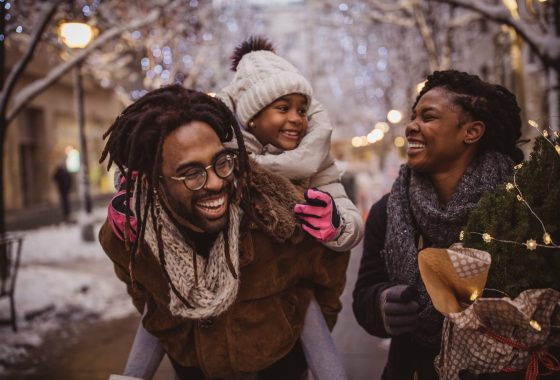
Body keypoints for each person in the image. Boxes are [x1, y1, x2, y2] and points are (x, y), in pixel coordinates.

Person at [99, 85, 349, 380]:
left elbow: (327, 284)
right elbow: (148, 299)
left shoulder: (278, 218)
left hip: (277, 366)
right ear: (155, 180)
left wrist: (287, 333)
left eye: (221, 162)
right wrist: (182, 340)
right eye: (191, 172)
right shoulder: (130, 235)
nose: (217, 182)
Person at [352, 70, 525, 380]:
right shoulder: (388, 211)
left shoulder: (521, 208)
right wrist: (382, 303)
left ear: (471, 132)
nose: (411, 126)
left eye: (428, 117)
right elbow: (364, 295)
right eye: (413, 116)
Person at [217, 36, 363, 252]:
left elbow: (352, 219)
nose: (297, 119)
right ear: (252, 117)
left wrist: (338, 225)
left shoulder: (316, 160)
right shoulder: (221, 159)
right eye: (283, 108)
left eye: (302, 110)